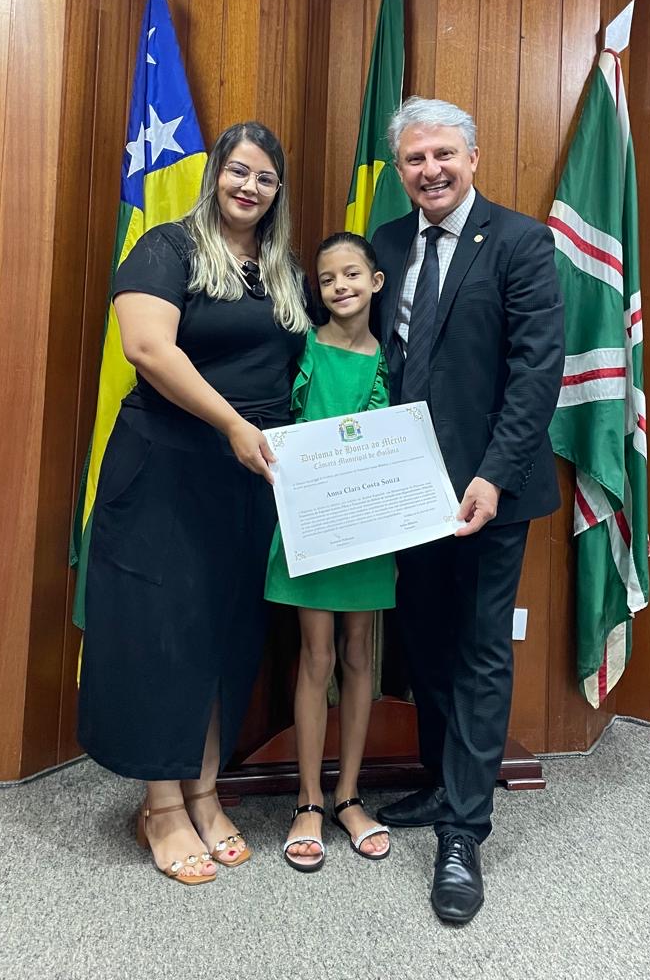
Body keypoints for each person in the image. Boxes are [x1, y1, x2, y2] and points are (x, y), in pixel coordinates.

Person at [78, 121, 310, 887]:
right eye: (239, 171)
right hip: (167, 466)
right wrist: (234, 424)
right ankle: (161, 805)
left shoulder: (283, 271)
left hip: (248, 478)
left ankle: (205, 791)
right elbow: (147, 348)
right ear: (215, 174)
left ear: (278, 191)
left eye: (265, 178)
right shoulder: (168, 248)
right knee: (165, 633)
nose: (250, 187)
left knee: (227, 635)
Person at [371, 96, 564, 925]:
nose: (431, 170)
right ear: (400, 169)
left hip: (491, 490)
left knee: (481, 649)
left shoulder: (520, 242)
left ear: (473, 158)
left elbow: (536, 372)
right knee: (422, 641)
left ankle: (463, 829)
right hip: (406, 492)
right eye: (415, 159)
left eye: (444, 154)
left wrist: (491, 475)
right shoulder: (384, 245)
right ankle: (440, 780)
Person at [264, 232, 394, 872]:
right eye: (327, 279)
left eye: (351, 274)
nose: (340, 286)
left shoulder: (392, 357)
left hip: (367, 529)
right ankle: (309, 801)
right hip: (310, 526)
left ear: (375, 281)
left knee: (360, 656)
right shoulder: (303, 347)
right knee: (316, 658)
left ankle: (349, 796)